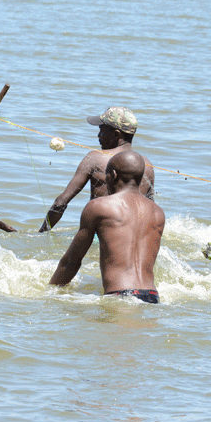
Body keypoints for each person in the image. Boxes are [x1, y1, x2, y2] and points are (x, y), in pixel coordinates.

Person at [50, 151, 165, 303]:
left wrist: (50, 293)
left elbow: (71, 261)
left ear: (113, 175)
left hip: (119, 296)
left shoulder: (99, 207)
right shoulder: (157, 212)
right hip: (152, 296)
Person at [39, 107, 155, 232]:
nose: (98, 135)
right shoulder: (147, 164)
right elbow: (150, 210)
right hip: (132, 235)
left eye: (102, 131)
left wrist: (40, 234)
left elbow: (61, 202)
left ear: (116, 134)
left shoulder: (95, 158)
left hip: (100, 235)